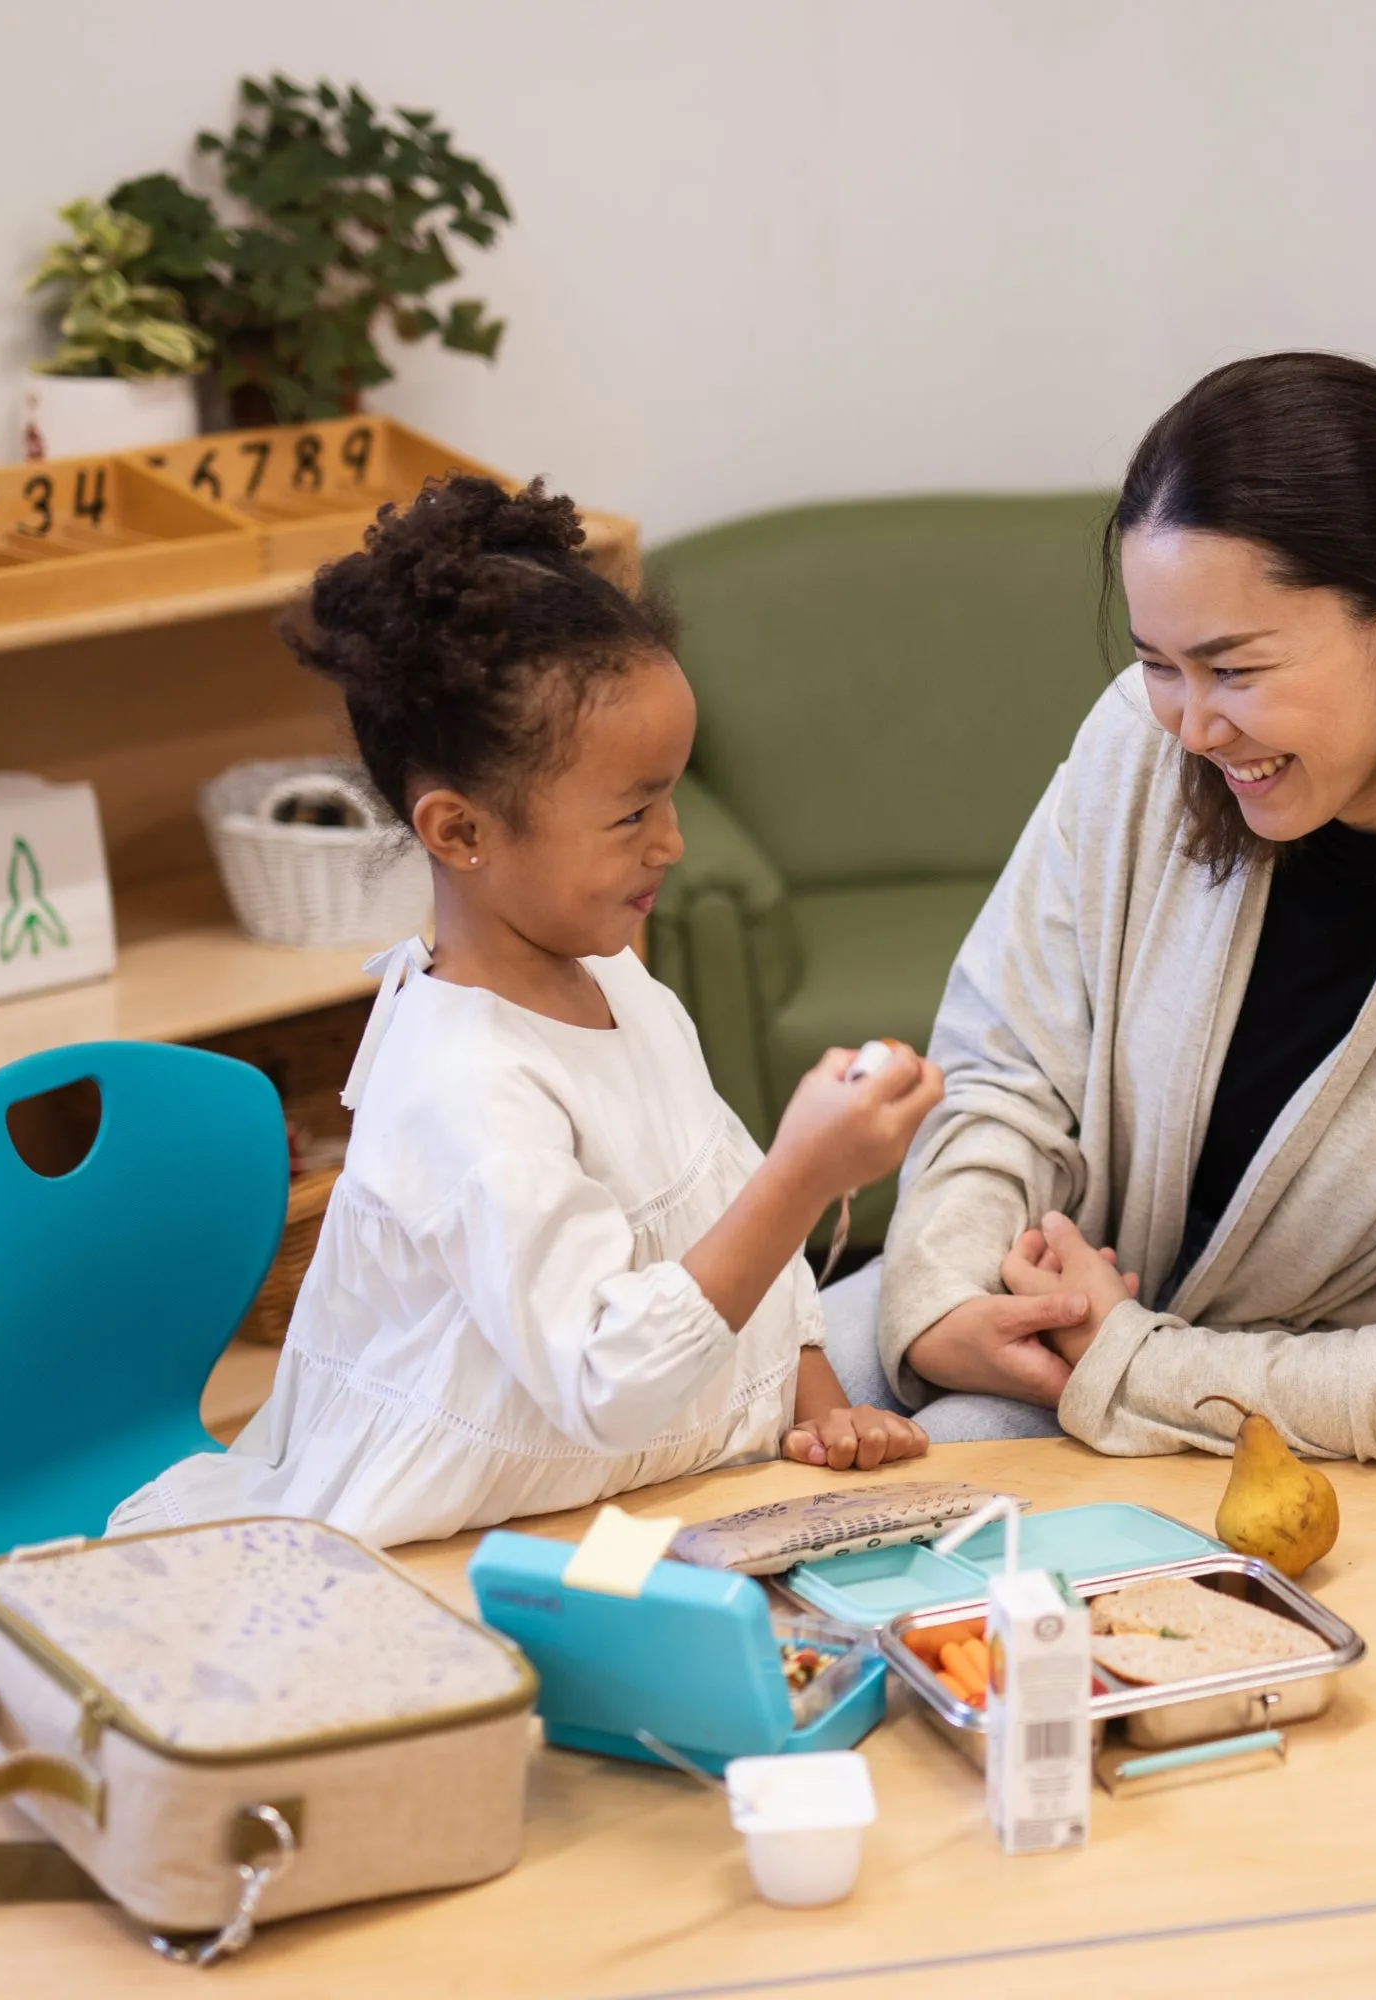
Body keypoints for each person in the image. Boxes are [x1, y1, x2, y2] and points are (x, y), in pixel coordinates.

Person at [823, 351, 1376, 1464]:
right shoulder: (1139, 736)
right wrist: (940, 1300)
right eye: (1158, 662)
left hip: (1282, 1430)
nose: (1188, 725)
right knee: (711, 1400)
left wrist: (1128, 1358)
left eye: (1233, 668)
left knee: (940, 1488)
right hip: (1031, 1312)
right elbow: (1003, 1069)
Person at [114, 477, 939, 1548]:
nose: (672, 842)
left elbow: (714, 1189)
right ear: (459, 831)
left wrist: (812, 1388)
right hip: (433, 1544)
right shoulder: (460, 1081)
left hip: (640, 1480)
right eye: (632, 810)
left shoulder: (614, 976)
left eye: (672, 796)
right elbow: (606, 1378)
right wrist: (806, 1176)